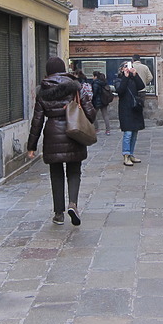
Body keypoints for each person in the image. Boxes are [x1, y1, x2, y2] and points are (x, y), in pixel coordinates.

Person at [26, 57, 96, 226]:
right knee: (74, 170)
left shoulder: (42, 91)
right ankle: (73, 203)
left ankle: (58, 214)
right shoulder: (76, 87)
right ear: (64, 69)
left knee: (56, 173)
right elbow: (91, 115)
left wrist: (31, 146)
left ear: (48, 71)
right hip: (74, 133)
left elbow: (37, 121)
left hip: (52, 135)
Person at [114, 61, 145, 166]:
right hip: (125, 110)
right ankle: (126, 155)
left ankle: (131, 153)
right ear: (122, 69)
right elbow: (120, 91)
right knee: (128, 133)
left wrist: (135, 75)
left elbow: (141, 86)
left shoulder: (133, 78)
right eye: (126, 67)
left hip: (135, 109)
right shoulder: (119, 79)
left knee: (135, 133)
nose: (128, 68)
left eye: (130, 66)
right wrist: (125, 77)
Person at [91, 71, 112, 135]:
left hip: (97, 102)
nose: (92, 77)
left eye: (93, 76)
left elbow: (94, 93)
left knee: (93, 115)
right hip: (104, 101)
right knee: (105, 115)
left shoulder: (95, 83)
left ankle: (96, 128)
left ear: (95, 76)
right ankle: (108, 130)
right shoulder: (104, 82)